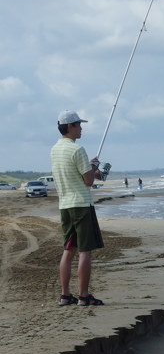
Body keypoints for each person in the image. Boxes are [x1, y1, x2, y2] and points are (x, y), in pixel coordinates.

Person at [50, 110, 105, 307]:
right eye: (79, 125)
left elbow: (75, 173)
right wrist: (94, 169)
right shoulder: (77, 150)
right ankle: (83, 296)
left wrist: (90, 166)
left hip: (65, 206)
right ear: (70, 126)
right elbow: (89, 181)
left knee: (69, 249)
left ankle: (65, 296)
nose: (81, 128)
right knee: (84, 251)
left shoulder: (55, 150)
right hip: (81, 205)